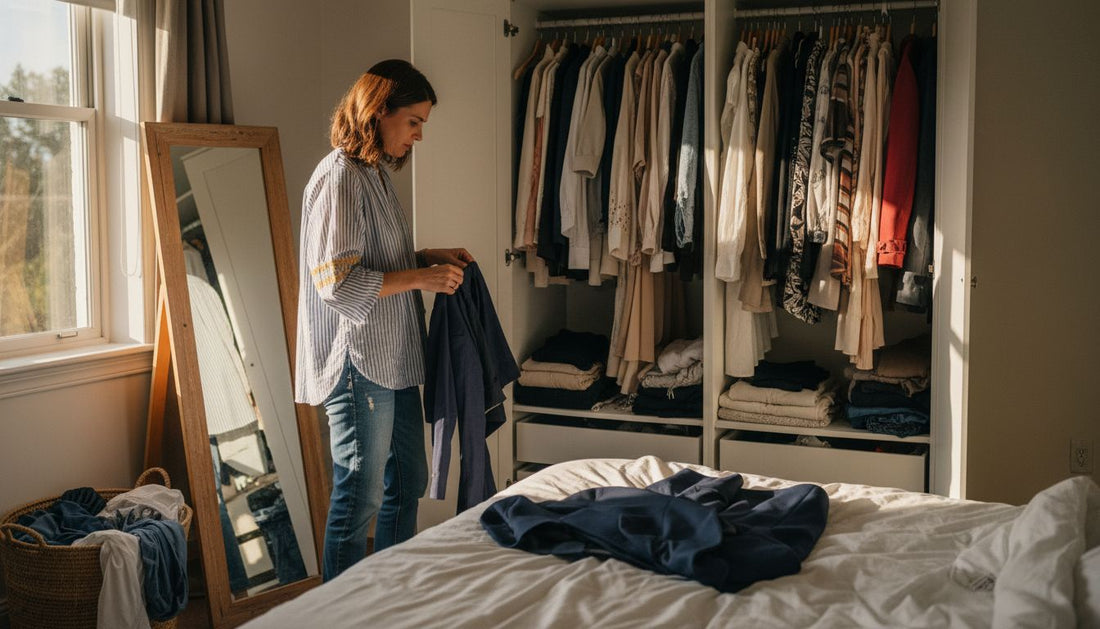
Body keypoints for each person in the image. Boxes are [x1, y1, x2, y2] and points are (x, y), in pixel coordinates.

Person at [294, 59, 472, 581]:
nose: (418, 135)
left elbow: (372, 258)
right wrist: (421, 279)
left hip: (391, 353)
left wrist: (424, 258)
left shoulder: (370, 172)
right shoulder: (339, 179)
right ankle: (338, 613)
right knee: (360, 494)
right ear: (379, 113)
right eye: (413, 121)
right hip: (356, 361)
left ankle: (388, 598)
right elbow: (338, 283)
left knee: (409, 478)